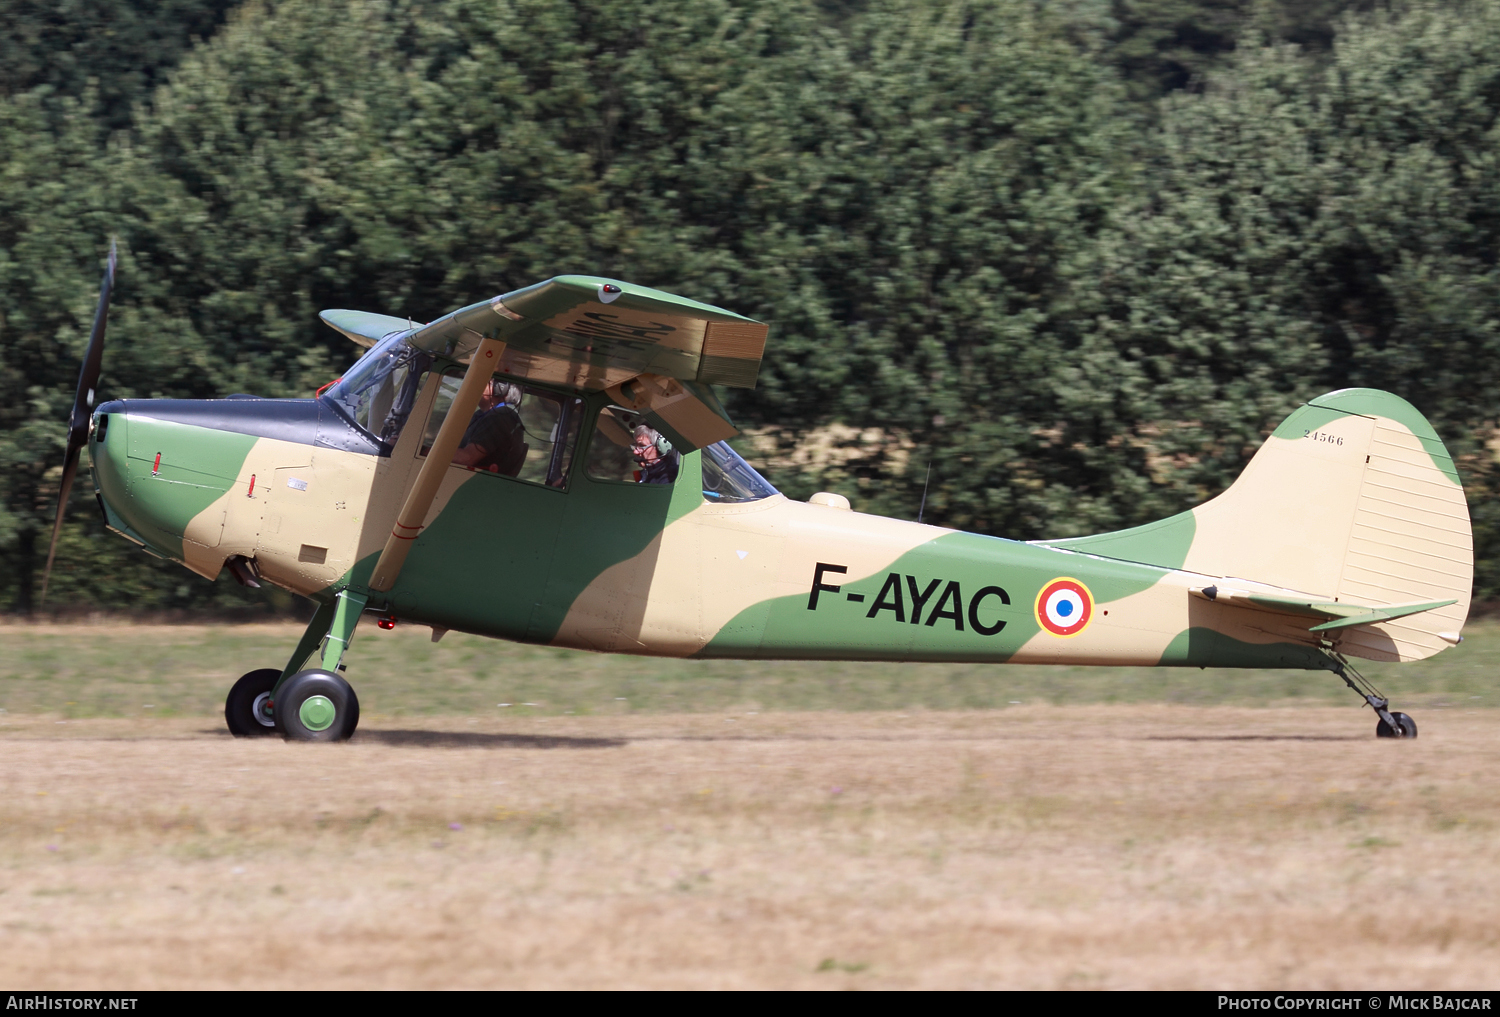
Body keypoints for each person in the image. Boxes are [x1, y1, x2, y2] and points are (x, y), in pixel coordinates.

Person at [452, 379, 526, 475]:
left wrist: (427, 452)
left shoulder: (501, 416)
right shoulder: (483, 414)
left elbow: (467, 458)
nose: (474, 385)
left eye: (484, 380)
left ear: (500, 387)